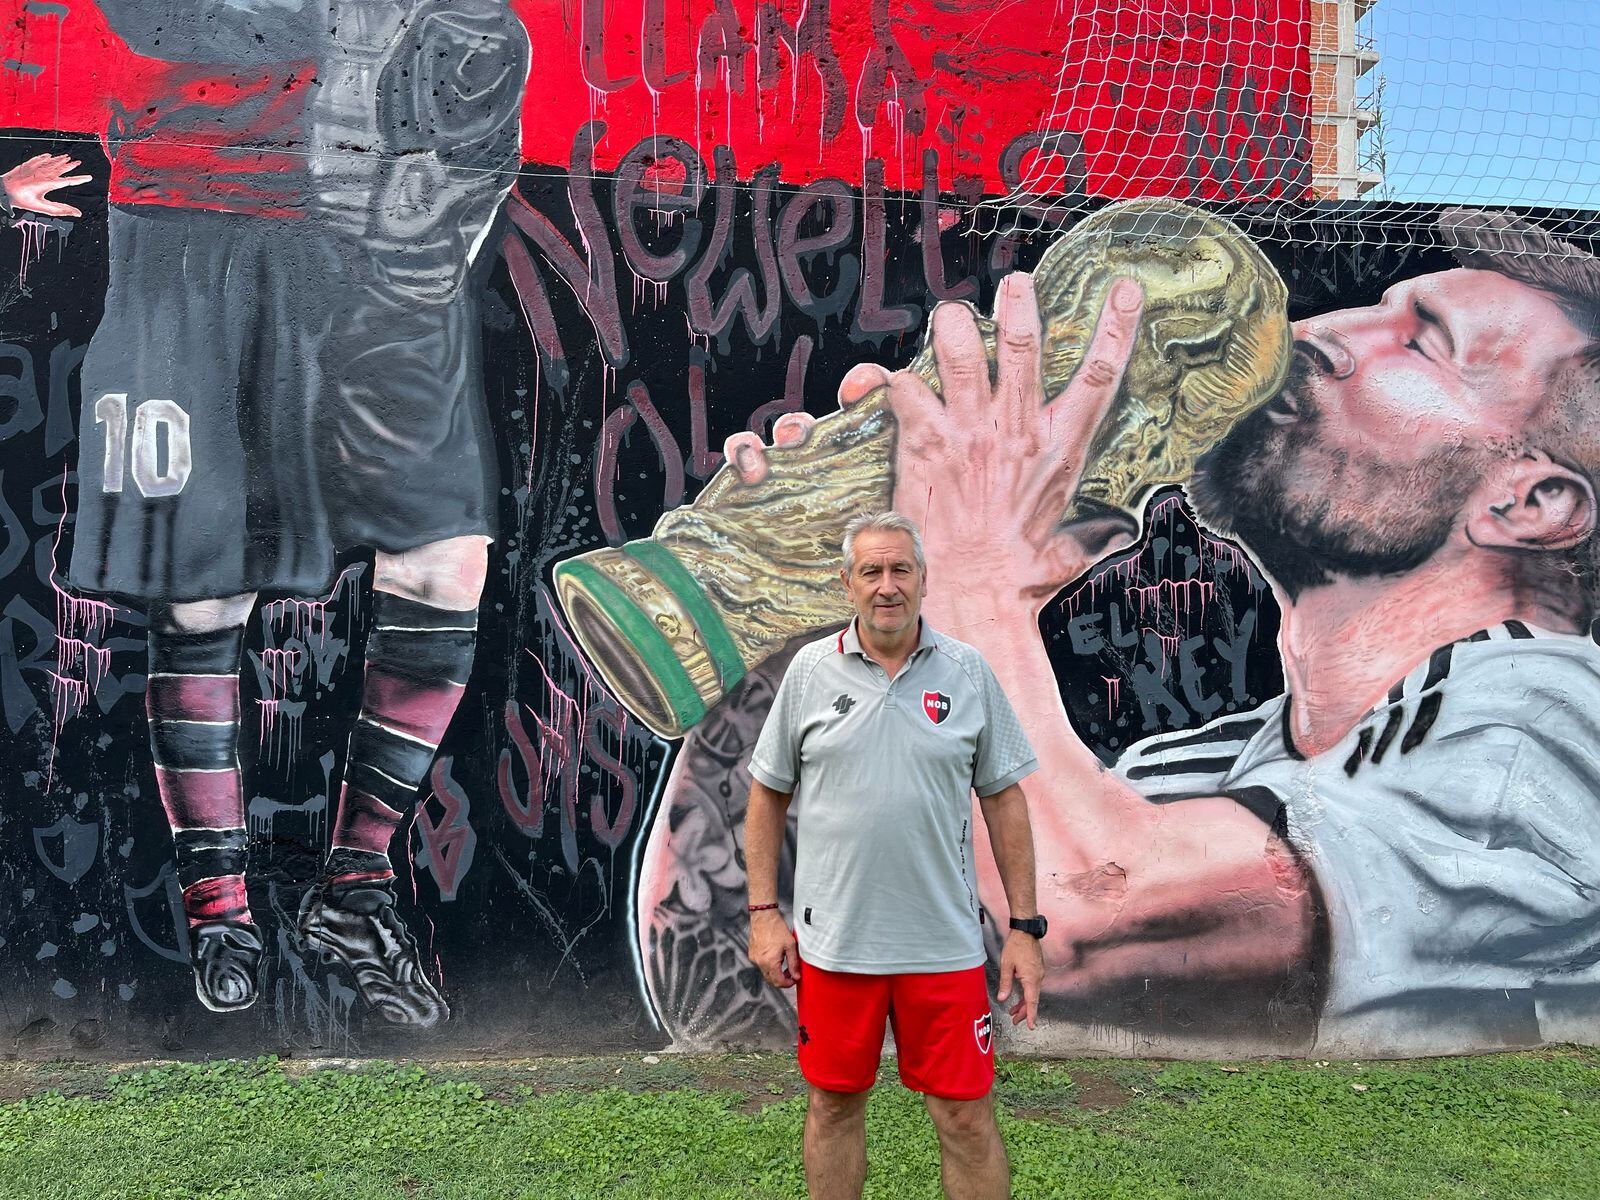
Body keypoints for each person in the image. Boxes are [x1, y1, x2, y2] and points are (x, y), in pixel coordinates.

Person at [67, 1, 529, 1024]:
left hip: (376, 235)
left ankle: (356, 888)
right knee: (204, 587)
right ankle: (222, 906)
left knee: (444, 556)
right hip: (194, 220)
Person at [744, 511, 1046, 1200]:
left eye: (900, 570)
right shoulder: (810, 673)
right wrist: (764, 912)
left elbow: (1005, 801)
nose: (888, 586)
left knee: (965, 1116)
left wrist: (1026, 930)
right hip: (836, 947)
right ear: (846, 583)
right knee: (833, 1106)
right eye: (872, 572)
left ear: (923, 581)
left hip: (942, 947)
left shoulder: (967, 672)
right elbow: (767, 796)